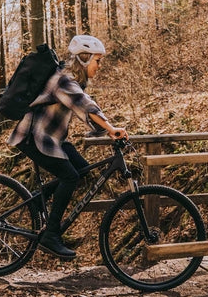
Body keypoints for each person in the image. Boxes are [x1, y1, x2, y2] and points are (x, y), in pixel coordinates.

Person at [8, 34, 127, 259]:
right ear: (84, 58)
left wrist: (103, 128)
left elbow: (83, 102)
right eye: (97, 61)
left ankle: (38, 197)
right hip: (35, 137)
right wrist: (111, 129)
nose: (99, 66)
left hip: (52, 138)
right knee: (70, 177)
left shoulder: (73, 80)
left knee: (82, 171)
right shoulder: (64, 80)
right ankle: (51, 235)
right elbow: (84, 104)